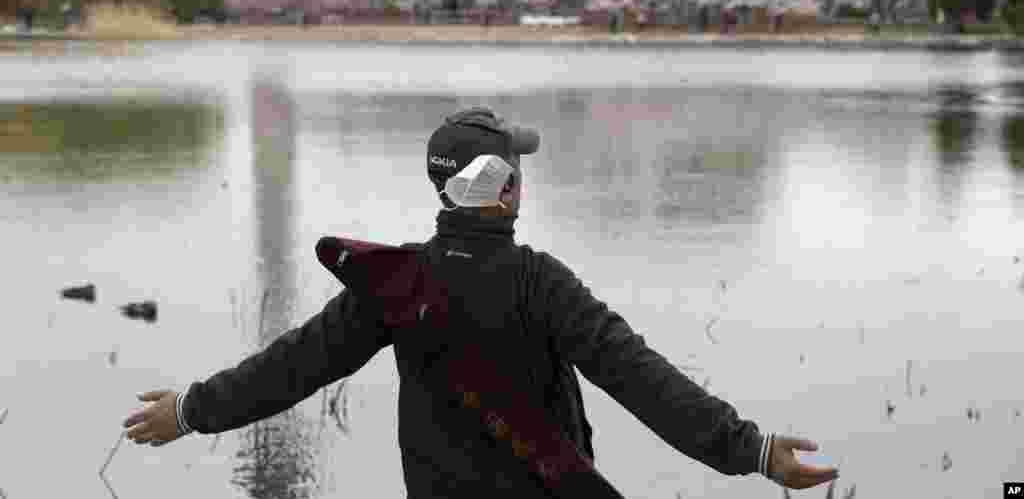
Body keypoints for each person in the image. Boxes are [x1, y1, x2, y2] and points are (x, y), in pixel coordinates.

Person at [122, 107, 839, 496]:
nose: (522, 178)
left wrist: (191, 410)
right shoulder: (540, 281)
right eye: (516, 167)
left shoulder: (392, 283)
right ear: (502, 186)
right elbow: (643, 380)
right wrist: (757, 452)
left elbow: (291, 367)